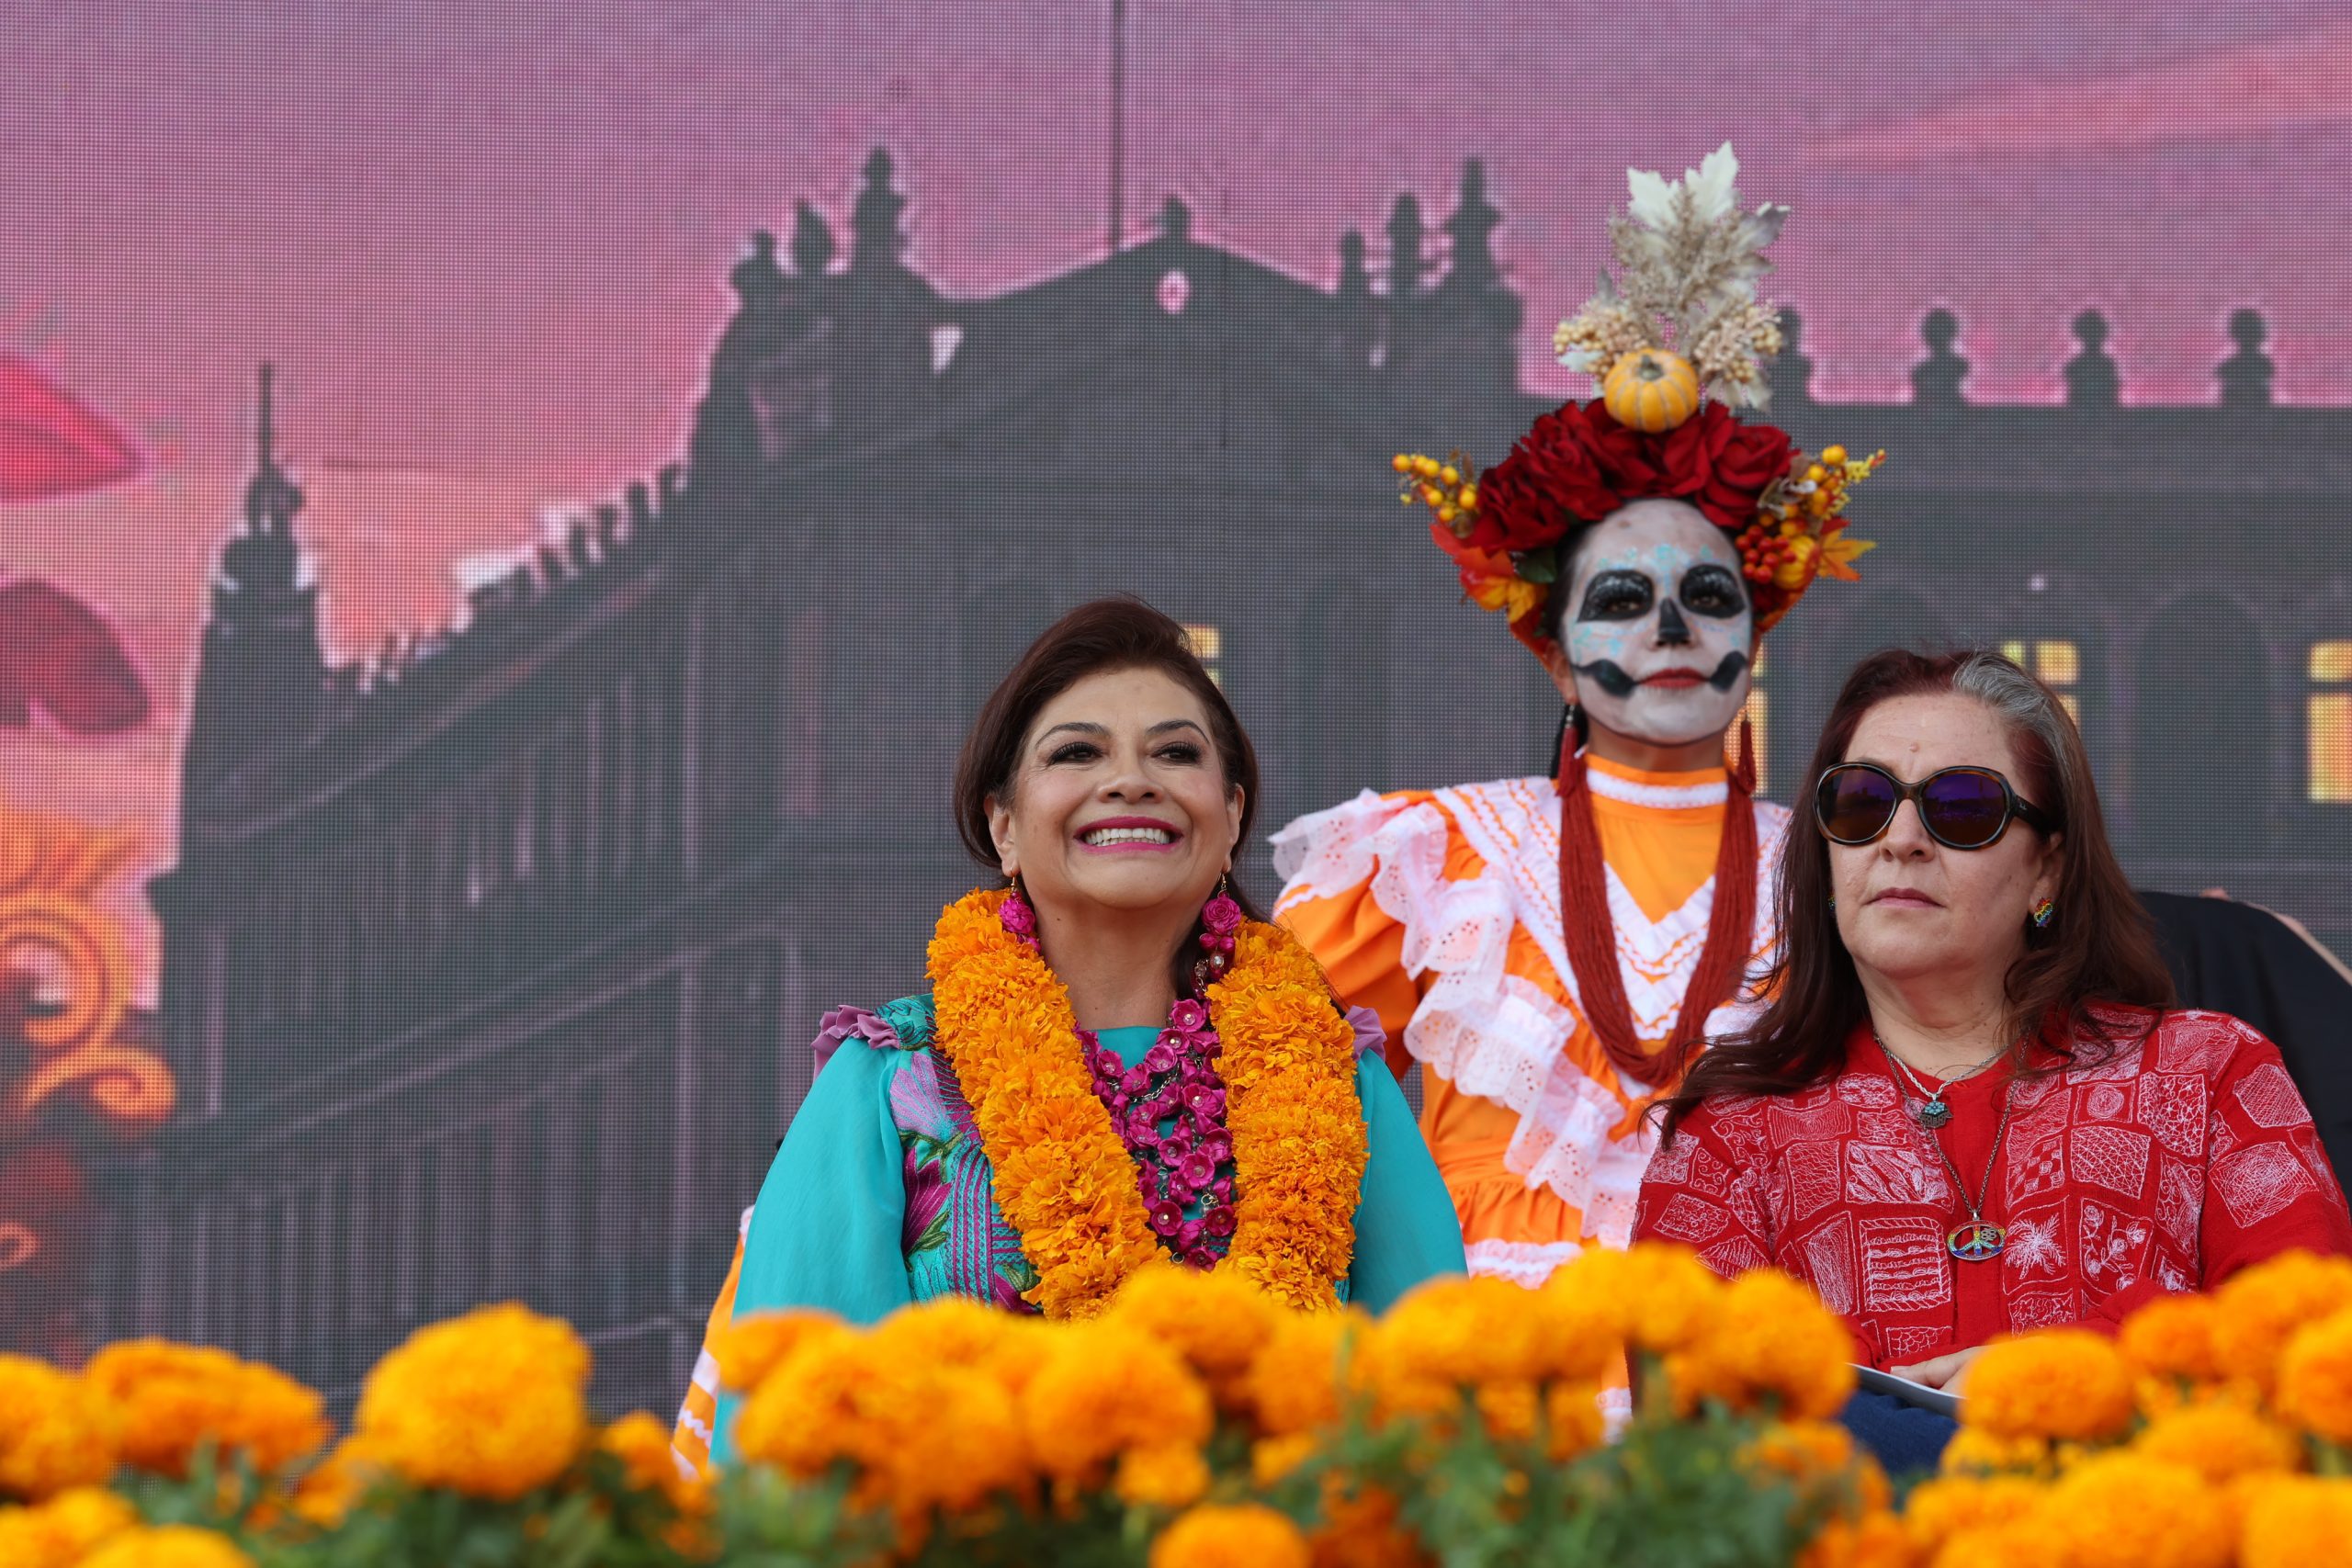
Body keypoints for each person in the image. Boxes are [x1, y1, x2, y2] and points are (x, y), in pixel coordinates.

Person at [1273, 143, 1884, 1295]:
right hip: (1480, 1386)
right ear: (1554, 658)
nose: (1669, 629)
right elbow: (1255, 1095)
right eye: (1621, 599)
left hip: (1757, 1370)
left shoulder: (1845, 858)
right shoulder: (1428, 859)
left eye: (1710, 598)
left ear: (1756, 639)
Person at [673, 598, 1464, 1472]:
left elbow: (1434, 1422)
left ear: (1232, 817)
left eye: (1175, 752)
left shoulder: (1334, 1082)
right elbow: (791, 1441)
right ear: (1003, 824)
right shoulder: (891, 1086)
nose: (1132, 780)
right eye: (1077, 752)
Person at [1635, 648, 2352, 1472]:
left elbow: (2313, 1352)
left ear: (2047, 864)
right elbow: (1689, 1440)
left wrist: (2074, 1375)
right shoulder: (1730, 1133)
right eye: (1862, 802)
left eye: (1963, 807)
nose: (1900, 840)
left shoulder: (2208, 1074)